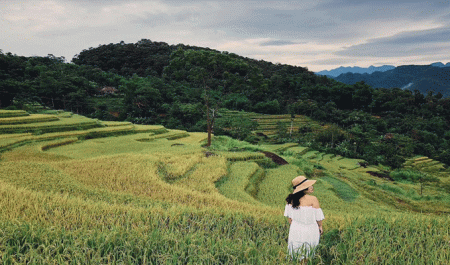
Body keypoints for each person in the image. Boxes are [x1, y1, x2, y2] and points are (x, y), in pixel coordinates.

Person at [284, 175, 324, 262]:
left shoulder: (291, 200)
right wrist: (320, 227)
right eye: (309, 186)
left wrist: (297, 225)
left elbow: (289, 218)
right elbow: (318, 217)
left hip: (295, 229)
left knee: (295, 251)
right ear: (303, 188)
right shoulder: (313, 199)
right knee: (308, 252)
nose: (312, 187)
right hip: (310, 229)